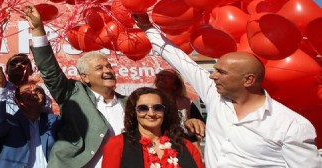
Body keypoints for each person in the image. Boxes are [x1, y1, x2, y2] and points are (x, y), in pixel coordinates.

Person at [134, 12, 322, 168]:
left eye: (221, 72)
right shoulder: (214, 96)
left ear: (248, 80)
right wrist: (147, 28)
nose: (212, 76)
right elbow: (181, 61)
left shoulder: (291, 125)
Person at [21, 5, 126, 168]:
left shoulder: (131, 104)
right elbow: (50, 71)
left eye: (109, 66)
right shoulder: (73, 95)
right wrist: (38, 29)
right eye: (99, 68)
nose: (107, 71)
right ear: (84, 77)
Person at [102, 87, 204, 168]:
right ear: (134, 112)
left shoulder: (185, 145)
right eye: (143, 108)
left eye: (157, 108)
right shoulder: (117, 144)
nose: (151, 113)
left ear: (165, 111)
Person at [0, 76, 60, 168]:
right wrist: (0, 88)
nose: (33, 92)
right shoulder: (9, 122)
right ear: (18, 100)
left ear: (44, 100)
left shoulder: (55, 122)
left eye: (38, 91)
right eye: (27, 90)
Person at [154, 69, 206, 144]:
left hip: (183, 143)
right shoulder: (147, 100)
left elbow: (200, 125)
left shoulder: (186, 103)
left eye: (167, 76)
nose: (161, 78)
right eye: (159, 75)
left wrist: (191, 122)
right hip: (157, 142)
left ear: (176, 84)